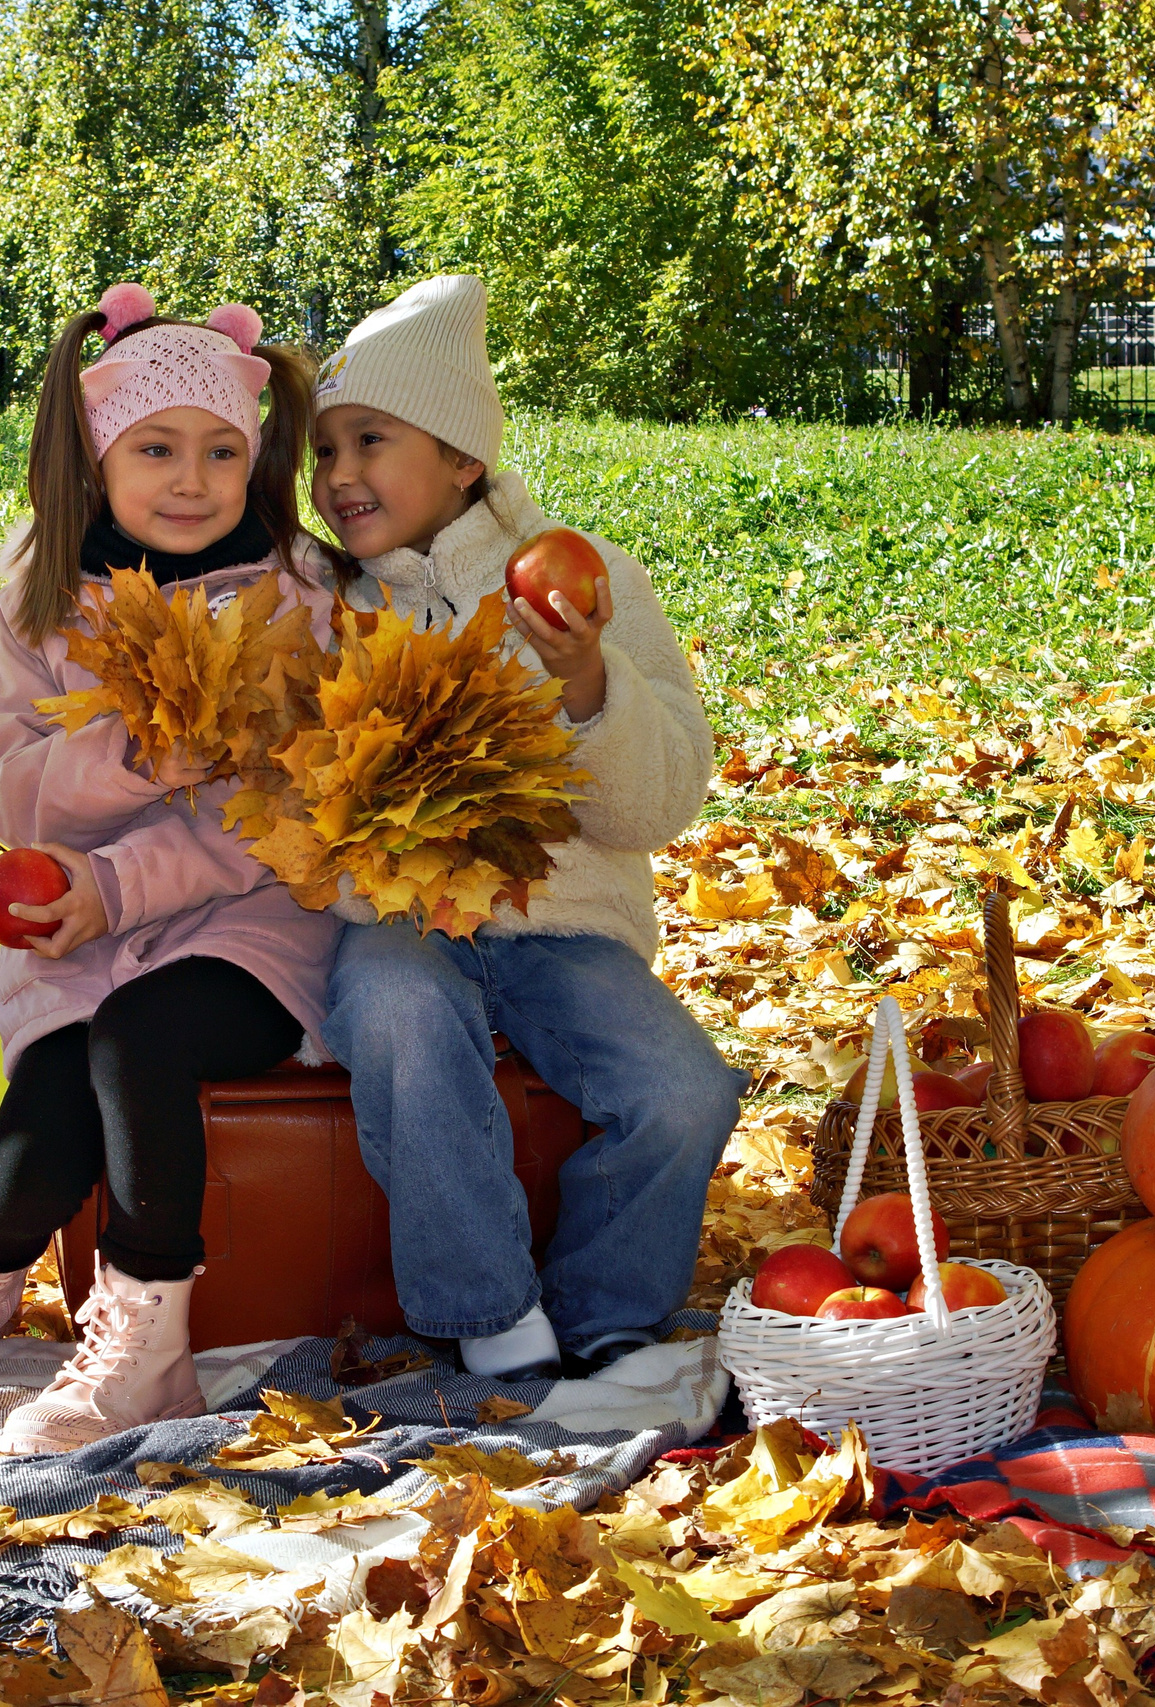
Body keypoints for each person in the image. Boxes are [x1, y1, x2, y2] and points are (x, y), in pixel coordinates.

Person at [0, 283, 340, 1454]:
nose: (192, 479)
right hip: (75, 924)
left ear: (255, 457)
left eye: (222, 451)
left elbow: (283, 817)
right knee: (46, 1126)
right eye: (158, 448)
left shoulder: (295, 596)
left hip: (248, 920)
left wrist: (125, 884)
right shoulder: (40, 591)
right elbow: (6, 789)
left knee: (144, 1042)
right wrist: (133, 752)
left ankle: (148, 1349)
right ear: (96, 452)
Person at [311, 274, 743, 1381]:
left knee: (684, 1090)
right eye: (323, 451)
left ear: (462, 456)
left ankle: (607, 1312)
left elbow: (658, 803)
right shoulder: (327, 608)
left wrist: (586, 680)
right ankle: (487, 1311)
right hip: (403, 920)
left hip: (565, 927)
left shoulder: (586, 583)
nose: (339, 475)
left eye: (370, 440)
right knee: (400, 1011)